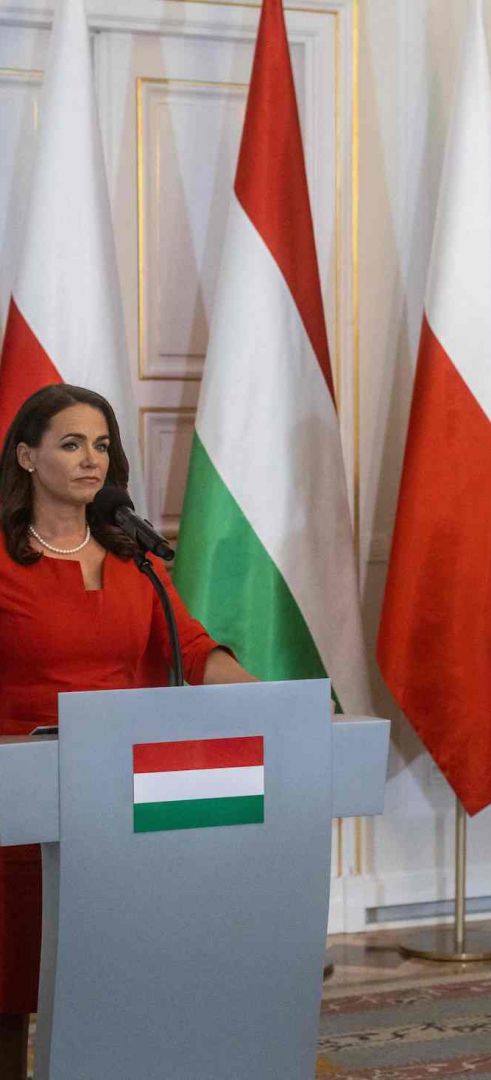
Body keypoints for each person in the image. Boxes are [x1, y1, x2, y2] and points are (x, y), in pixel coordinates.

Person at [0, 384, 255, 1079]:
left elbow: (194, 650)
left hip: (126, 804)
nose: (92, 460)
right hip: (25, 811)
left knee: (117, 979)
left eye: (103, 445)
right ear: (26, 455)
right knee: (10, 994)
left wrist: (270, 705)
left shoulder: (132, 558)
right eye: (72, 443)